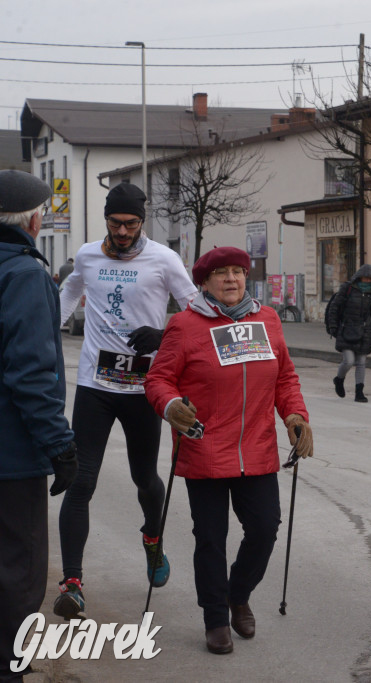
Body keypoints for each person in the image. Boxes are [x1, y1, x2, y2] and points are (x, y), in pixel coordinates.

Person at [145, 246, 313, 655]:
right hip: (204, 448)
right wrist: (171, 407)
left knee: (264, 528)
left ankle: (238, 594)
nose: (232, 280)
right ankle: (216, 617)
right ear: (204, 282)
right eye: (222, 274)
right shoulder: (184, 326)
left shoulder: (267, 320)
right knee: (210, 539)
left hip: (256, 448)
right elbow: (158, 380)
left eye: (238, 272)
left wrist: (295, 416)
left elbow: (285, 377)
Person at [54, 182, 198, 619]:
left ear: (142, 221)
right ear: (106, 220)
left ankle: (152, 537)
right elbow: (68, 292)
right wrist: (45, 329)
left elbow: (195, 309)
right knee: (82, 481)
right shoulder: (86, 256)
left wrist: (165, 332)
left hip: (143, 387)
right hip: (96, 385)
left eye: (131, 224)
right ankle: (73, 582)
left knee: (144, 480)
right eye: (115, 223)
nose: (122, 231)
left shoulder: (164, 259)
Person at [0, 170, 77, 683]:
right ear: (32, 219)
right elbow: (31, 372)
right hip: (11, 454)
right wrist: (60, 445)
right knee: (19, 571)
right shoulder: (25, 274)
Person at [325, 263, 371, 403]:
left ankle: (359, 392)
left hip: (364, 332)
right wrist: (333, 325)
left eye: (370, 279)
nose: (367, 281)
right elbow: (335, 307)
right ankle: (339, 379)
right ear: (359, 276)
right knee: (349, 361)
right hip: (346, 330)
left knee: (361, 362)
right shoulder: (347, 288)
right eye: (365, 278)